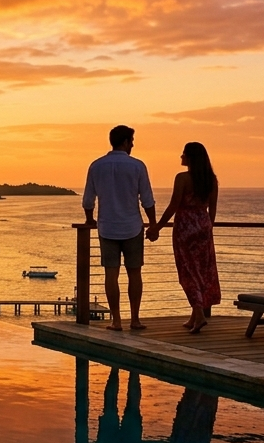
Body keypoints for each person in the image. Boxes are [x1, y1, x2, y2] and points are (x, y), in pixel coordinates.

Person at [83, 125, 157, 331]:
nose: (132, 144)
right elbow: (147, 200)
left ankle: (116, 320)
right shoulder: (137, 166)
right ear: (125, 142)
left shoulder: (96, 166)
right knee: (135, 274)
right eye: (131, 140)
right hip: (132, 226)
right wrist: (153, 224)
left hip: (107, 227)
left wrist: (90, 219)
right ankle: (135, 319)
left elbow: (88, 200)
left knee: (111, 275)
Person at [148, 142, 219, 333]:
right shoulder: (211, 179)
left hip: (185, 228)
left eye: (184, 154)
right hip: (203, 226)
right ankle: (195, 316)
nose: (181, 156)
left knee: (187, 271)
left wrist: (157, 227)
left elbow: (173, 206)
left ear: (190, 158)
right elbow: (212, 210)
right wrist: (206, 228)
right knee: (201, 271)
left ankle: (199, 314)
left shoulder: (182, 178)